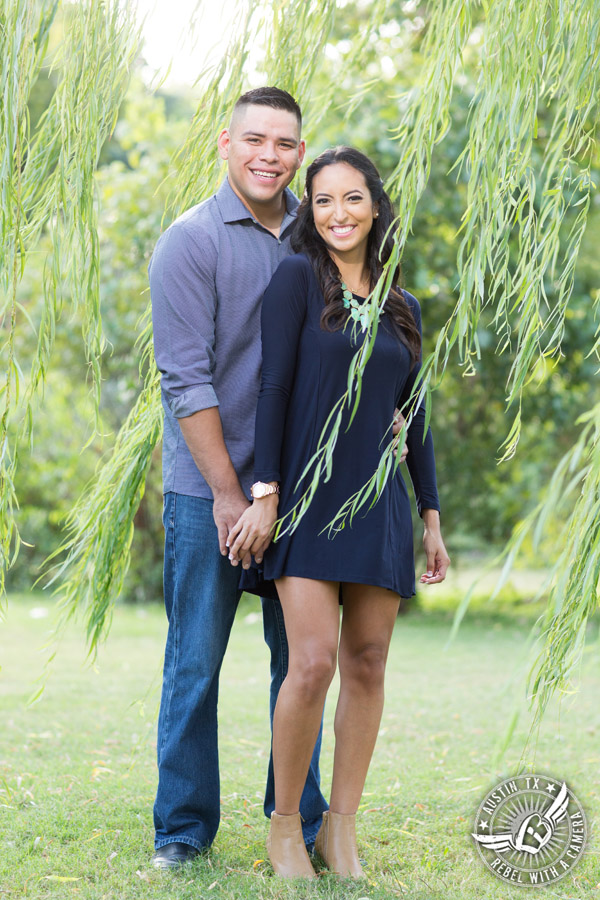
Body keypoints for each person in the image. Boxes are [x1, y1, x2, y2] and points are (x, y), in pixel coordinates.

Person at [227, 146, 451, 879]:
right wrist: (266, 493)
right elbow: (271, 390)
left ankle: (341, 828)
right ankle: (286, 824)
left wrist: (430, 516)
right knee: (313, 661)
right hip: (310, 503)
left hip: (379, 502)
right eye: (322, 201)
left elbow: (413, 414)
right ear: (310, 212)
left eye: (352, 199)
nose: (338, 214)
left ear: (376, 206)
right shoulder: (295, 279)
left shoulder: (402, 304)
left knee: (368, 661)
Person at [148, 87, 331, 868]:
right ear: (225, 143)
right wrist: (228, 493)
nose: (269, 155)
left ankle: (302, 820)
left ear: (300, 152)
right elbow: (186, 381)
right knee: (195, 660)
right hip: (208, 493)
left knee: (305, 660)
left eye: (284, 144)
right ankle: (184, 831)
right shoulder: (189, 243)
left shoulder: (319, 236)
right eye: (254, 138)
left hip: (298, 491)